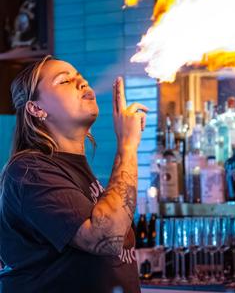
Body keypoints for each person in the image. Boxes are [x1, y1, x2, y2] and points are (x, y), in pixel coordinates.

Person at [0, 55, 148, 293]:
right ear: (36, 108)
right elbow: (104, 238)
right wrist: (127, 147)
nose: (82, 83)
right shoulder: (29, 171)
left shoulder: (76, 170)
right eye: (64, 81)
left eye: (80, 78)